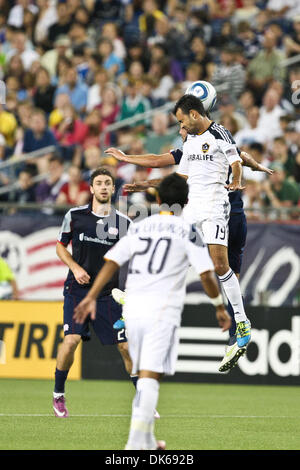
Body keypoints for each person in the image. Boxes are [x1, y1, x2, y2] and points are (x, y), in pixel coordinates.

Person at [73, 173, 231, 450]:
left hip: (132, 310)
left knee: (145, 374)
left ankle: (145, 440)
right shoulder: (188, 230)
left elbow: (112, 261)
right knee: (150, 376)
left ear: (158, 200)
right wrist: (219, 307)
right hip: (161, 311)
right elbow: (207, 274)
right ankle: (134, 445)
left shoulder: (140, 227)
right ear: (187, 200)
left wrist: (91, 297)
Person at [105, 121, 273, 373]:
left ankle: (138, 302)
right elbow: (240, 156)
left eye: (182, 126)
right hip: (234, 217)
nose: (181, 132)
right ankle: (237, 332)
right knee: (224, 272)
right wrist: (257, 166)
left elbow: (159, 161)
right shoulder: (214, 144)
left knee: (180, 254)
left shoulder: (195, 147)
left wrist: (128, 159)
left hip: (218, 213)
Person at [53, 167, 140, 418]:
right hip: (77, 291)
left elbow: (137, 258)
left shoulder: (125, 224)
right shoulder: (75, 215)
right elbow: (60, 247)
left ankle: (142, 398)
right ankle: (59, 394)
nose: (103, 187)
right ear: (90, 188)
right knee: (71, 341)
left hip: (108, 295)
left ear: (114, 189)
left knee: (125, 347)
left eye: (108, 183)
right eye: (99, 183)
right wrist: (75, 267)